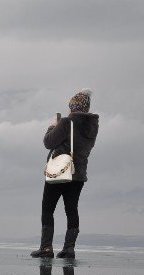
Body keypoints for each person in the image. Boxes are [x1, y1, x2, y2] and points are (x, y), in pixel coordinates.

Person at [31, 89, 99, 259]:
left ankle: (46, 248)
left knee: (48, 208)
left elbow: (48, 142)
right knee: (71, 209)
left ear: (72, 107)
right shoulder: (92, 126)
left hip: (59, 171)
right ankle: (69, 249)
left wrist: (52, 126)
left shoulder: (66, 122)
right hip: (78, 174)